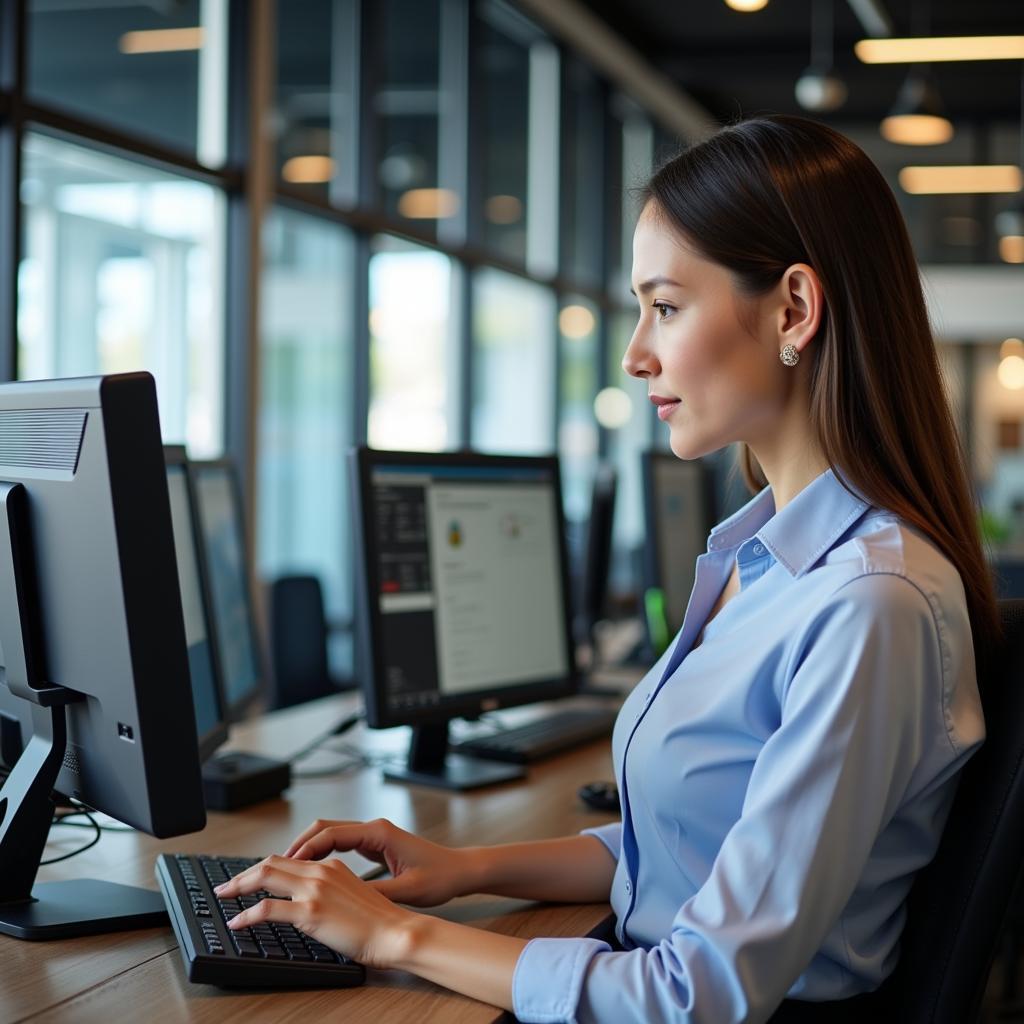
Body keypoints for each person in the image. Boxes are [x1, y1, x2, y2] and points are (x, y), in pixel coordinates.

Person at [214, 115, 998, 1023]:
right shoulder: (761, 559)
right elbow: (689, 848)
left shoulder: (868, 605)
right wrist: (462, 869)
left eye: (664, 306)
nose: (635, 353)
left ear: (793, 310)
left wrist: (393, 935)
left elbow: (701, 990)